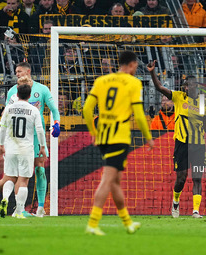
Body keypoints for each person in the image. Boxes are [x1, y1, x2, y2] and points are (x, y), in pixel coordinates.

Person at [83, 51, 154, 236]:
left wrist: (93, 132)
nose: (135, 70)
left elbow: (87, 109)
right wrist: (148, 137)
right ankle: (93, 223)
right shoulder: (133, 83)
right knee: (107, 179)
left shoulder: (101, 81)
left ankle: (127, 222)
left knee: (115, 181)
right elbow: (138, 114)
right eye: (136, 67)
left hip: (103, 137)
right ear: (131, 65)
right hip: (119, 137)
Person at [147, 60, 206, 218]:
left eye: (190, 85)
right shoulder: (179, 97)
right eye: (185, 85)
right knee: (181, 178)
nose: (187, 87)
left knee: (197, 177)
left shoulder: (203, 103)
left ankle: (195, 211)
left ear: (196, 86)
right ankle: (175, 202)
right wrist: (152, 72)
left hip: (199, 144)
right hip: (182, 143)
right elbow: (159, 87)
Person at [0, 63, 61, 217]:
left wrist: (57, 123)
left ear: (28, 71)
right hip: (25, 139)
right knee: (19, 176)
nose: (17, 74)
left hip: (22, 139)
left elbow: (54, 110)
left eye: (19, 71)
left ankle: (40, 207)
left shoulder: (42, 89)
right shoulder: (14, 91)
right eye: (16, 72)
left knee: (38, 170)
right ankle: (19, 210)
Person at [0, 84, 47, 219]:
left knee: (10, 176)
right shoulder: (33, 110)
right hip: (26, 149)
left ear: (17, 95)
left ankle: (6, 198)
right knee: (23, 180)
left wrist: (1, 145)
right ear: (30, 96)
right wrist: (42, 146)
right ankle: (19, 211)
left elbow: (2, 128)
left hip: (11, 148)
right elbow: (40, 130)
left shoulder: (8, 109)